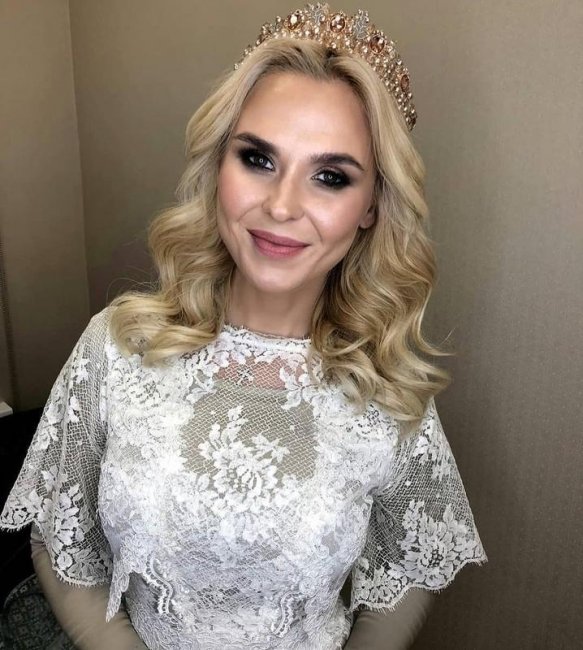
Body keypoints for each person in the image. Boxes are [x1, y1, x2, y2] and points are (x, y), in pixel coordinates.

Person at [0, 4, 487, 649]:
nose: (281, 206)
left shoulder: (386, 391)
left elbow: (410, 567)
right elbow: (57, 536)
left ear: (371, 205)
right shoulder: (117, 348)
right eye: (258, 159)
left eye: (330, 177)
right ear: (219, 167)